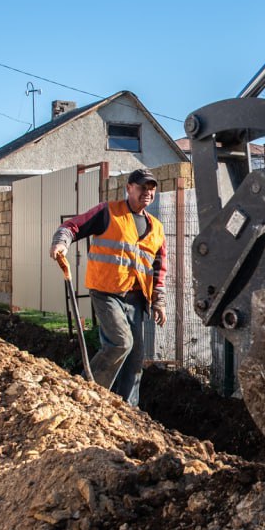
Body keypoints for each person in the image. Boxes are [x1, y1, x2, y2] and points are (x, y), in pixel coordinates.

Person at [49, 168, 167, 405]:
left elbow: (159, 268)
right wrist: (61, 243)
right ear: (129, 188)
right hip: (106, 293)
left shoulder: (156, 228)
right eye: (142, 187)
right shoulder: (108, 212)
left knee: (134, 361)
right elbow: (73, 226)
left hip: (136, 299)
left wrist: (158, 301)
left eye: (151, 188)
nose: (147, 192)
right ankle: (87, 395)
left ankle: (127, 411)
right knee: (120, 342)